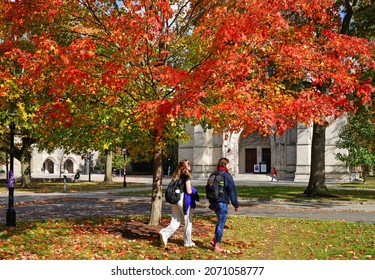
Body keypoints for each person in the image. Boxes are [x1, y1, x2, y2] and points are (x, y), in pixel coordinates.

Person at [159, 159, 199, 247]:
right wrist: (194, 191)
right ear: (186, 166)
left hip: (175, 199)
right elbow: (188, 191)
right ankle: (187, 241)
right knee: (188, 221)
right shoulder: (186, 176)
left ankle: (165, 233)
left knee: (175, 220)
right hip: (184, 200)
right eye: (189, 164)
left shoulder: (176, 176)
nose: (190, 166)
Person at [209, 157, 239, 253]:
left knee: (219, 222)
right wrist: (236, 204)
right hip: (222, 202)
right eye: (228, 164)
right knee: (221, 224)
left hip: (213, 202)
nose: (229, 166)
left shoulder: (213, 174)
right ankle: (217, 246)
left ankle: (214, 239)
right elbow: (232, 191)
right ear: (225, 164)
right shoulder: (227, 175)